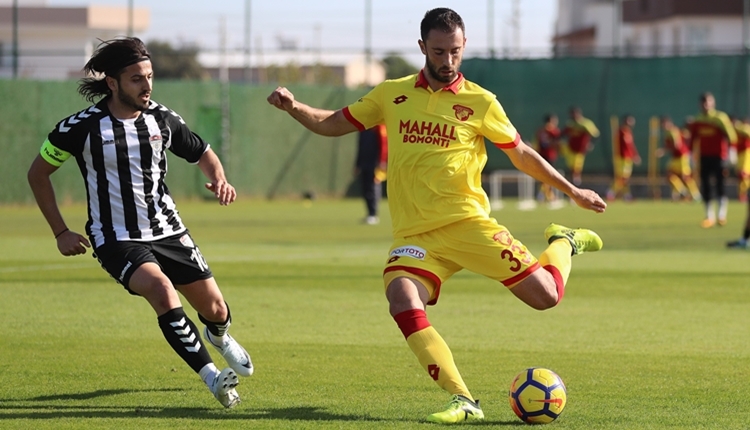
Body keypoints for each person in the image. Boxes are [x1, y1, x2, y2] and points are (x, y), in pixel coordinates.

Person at [267, 8, 606, 424]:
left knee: (546, 297)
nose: (448, 61)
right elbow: (334, 123)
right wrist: (294, 106)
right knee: (401, 297)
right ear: (423, 47)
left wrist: (572, 191)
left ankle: (564, 241)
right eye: (440, 51)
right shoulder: (392, 94)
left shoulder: (481, 102)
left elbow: (520, 154)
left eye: (456, 52)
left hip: (468, 224)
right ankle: (463, 399)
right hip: (416, 235)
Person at [26, 37, 253, 409]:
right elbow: (38, 174)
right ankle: (212, 377)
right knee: (162, 291)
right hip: (115, 237)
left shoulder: (162, 119)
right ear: (112, 83)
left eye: (149, 76)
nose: (146, 85)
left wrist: (221, 179)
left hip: (169, 230)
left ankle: (220, 335)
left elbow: (203, 153)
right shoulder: (80, 127)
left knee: (215, 308)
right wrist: (60, 231)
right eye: (136, 79)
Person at [688, 92, 737, 228]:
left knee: (720, 184)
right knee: (706, 186)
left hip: (719, 156)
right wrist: (690, 155)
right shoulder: (697, 120)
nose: (706, 105)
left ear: (713, 103)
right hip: (704, 157)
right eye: (703, 102)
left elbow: (731, 136)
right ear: (700, 104)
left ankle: (722, 215)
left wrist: (731, 152)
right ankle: (709, 216)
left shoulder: (720, 118)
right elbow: (693, 139)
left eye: (708, 102)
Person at [657, 116, 701, 201]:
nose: (662, 126)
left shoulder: (673, 131)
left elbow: (677, 145)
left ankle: (696, 195)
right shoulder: (668, 132)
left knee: (685, 177)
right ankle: (681, 191)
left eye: (663, 124)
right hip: (675, 157)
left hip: (682, 156)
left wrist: (663, 150)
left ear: (668, 123)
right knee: (670, 175)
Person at [355, 124, 388, 224]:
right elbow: (360, 147)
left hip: (375, 163)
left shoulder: (379, 127)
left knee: (373, 187)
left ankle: (373, 214)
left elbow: (384, 145)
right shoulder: (362, 129)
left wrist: (382, 161)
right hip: (364, 163)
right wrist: (357, 164)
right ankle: (369, 213)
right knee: (365, 189)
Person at [561, 106, 600, 185]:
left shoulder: (586, 123)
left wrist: (591, 144)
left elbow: (596, 134)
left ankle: (576, 182)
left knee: (576, 168)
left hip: (579, 150)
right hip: (570, 149)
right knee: (571, 168)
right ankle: (573, 182)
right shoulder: (570, 124)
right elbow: (562, 134)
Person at [607, 115, 641, 201]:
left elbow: (631, 146)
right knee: (621, 177)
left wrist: (635, 155)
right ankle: (610, 193)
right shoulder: (620, 131)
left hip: (628, 158)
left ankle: (626, 196)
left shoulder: (628, 132)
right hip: (621, 158)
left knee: (625, 179)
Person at [533, 114, 562, 204]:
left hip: (541, 155)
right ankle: (547, 195)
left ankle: (544, 194)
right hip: (550, 155)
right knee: (549, 176)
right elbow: (557, 143)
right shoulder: (554, 131)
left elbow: (536, 143)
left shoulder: (540, 131)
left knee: (543, 175)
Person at [732, 117, 750, 202]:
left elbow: (747, 133)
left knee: (744, 174)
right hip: (739, 154)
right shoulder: (734, 130)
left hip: (746, 153)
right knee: (741, 175)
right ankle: (742, 194)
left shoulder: (744, 128)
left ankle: (744, 193)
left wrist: (737, 126)